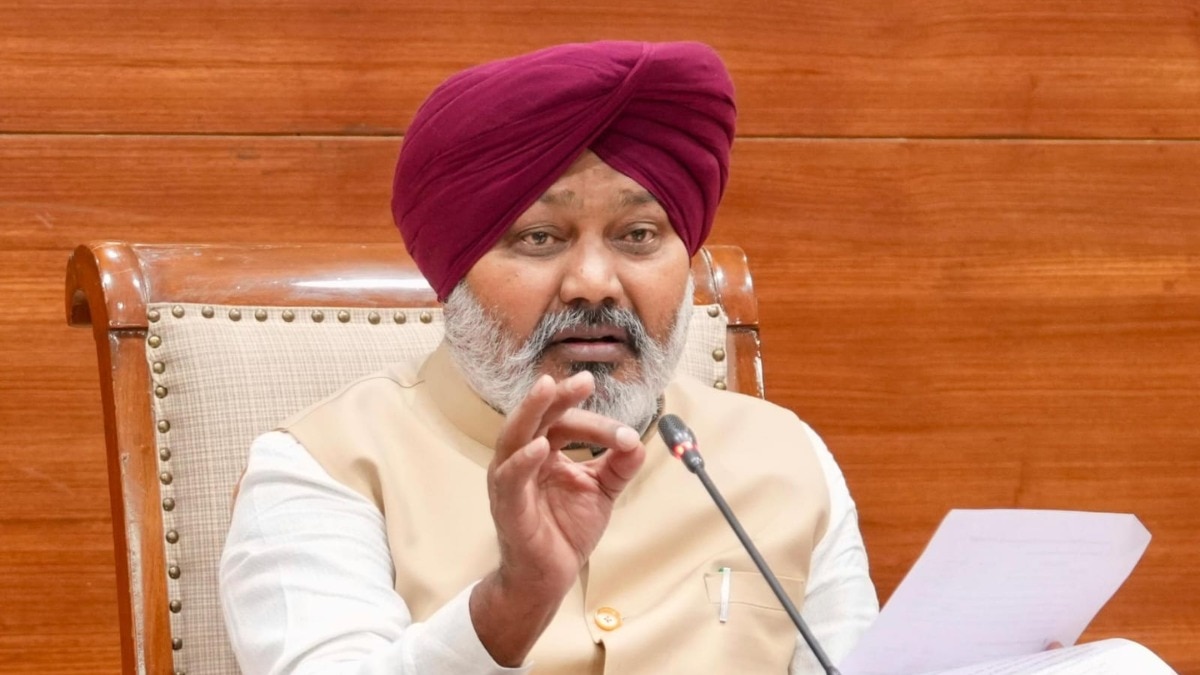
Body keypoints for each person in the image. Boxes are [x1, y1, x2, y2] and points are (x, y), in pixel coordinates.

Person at [219, 41, 878, 674]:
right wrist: (512, 605)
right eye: (539, 238)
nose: (594, 282)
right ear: (454, 273)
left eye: (638, 235)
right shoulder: (329, 466)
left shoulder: (786, 461)